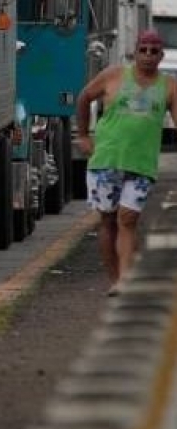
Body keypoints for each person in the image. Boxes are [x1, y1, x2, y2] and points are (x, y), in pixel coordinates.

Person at [74, 29, 177, 296]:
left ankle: (126, 279)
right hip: (106, 160)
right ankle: (116, 279)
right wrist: (83, 134)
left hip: (141, 165)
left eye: (153, 51)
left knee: (128, 218)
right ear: (135, 51)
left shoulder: (169, 86)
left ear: (161, 55)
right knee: (108, 220)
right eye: (143, 49)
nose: (147, 55)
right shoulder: (114, 76)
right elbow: (84, 98)